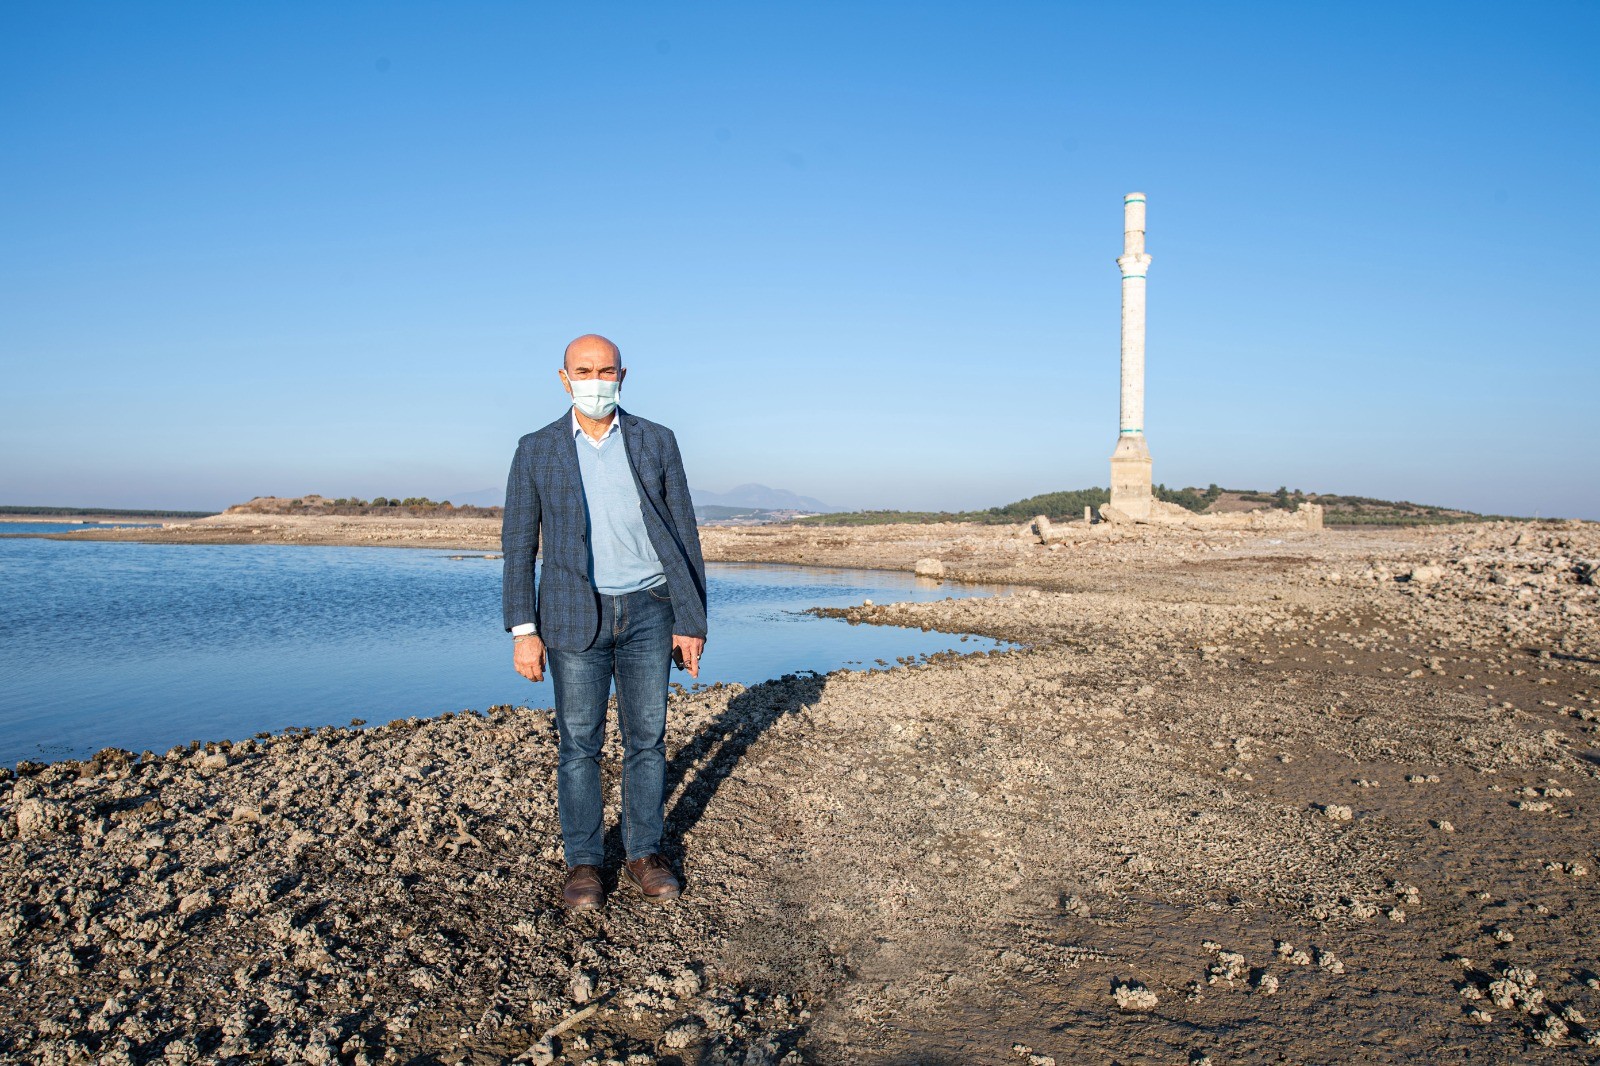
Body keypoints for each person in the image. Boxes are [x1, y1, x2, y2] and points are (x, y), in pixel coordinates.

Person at [501, 334, 708, 911]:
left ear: (623, 375)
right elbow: (519, 547)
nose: (597, 381)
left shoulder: (655, 440)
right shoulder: (535, 449)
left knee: (647, 739)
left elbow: (685, 535)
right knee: (578, 745)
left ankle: (644, 852)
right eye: (584, 371)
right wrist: (524, 630)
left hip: (649, 610)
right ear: (564, 378)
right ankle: (585, 863)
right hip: (572, 615)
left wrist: (691, 620)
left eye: (607, 370)